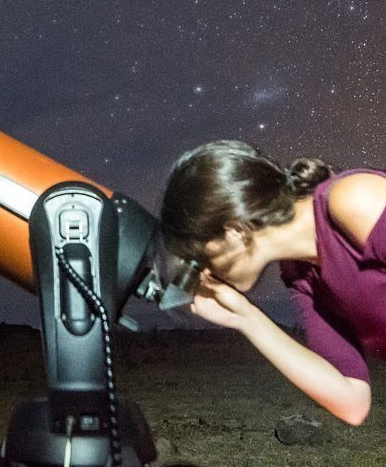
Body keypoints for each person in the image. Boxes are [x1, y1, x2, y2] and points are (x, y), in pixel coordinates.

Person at [159, 140, 386, 425]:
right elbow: (352, 403)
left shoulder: (355, 199)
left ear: (235, 231)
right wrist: (246, 317)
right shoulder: (299, 273)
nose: (204, 272)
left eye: (200, 256)